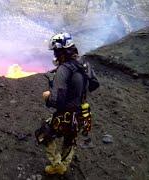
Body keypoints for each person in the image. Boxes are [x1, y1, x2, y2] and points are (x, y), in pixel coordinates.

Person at [35, 32, 99, 175]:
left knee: (44, 132)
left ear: (60, 51)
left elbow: (57, 101)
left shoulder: (64, 69)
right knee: (70, 139)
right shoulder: (84, 63)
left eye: (56, 52)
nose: (55, 55)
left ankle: (57, 165)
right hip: (82, 112)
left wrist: (47, 96)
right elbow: (94, 84)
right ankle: (64, 164)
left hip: (67, 113)